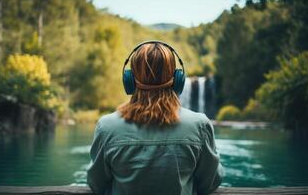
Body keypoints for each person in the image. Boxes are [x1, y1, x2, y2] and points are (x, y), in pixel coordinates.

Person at [87, 41, 223, 195]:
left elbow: (96, 184)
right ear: (178, 79)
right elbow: (210, 183)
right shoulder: (200, 125)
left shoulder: (106, 127)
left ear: (129, 80)